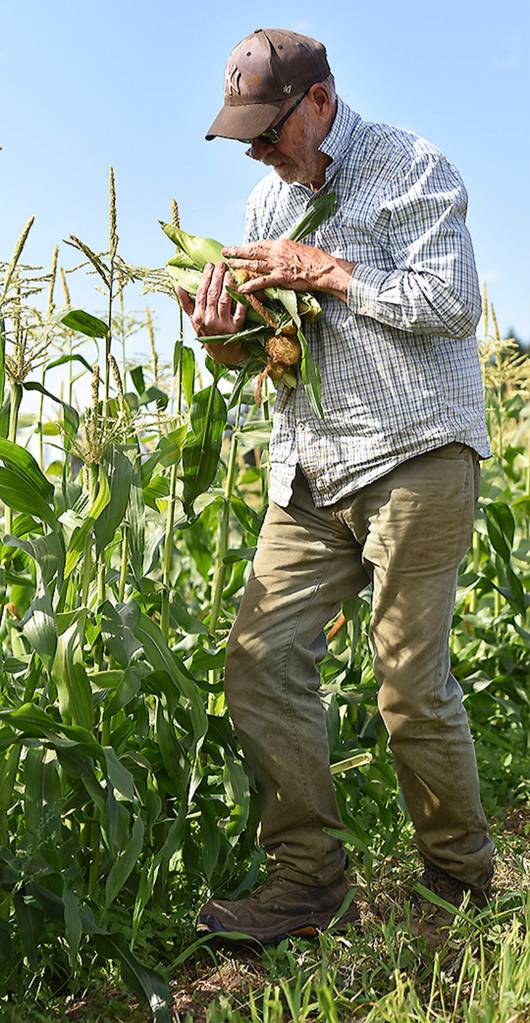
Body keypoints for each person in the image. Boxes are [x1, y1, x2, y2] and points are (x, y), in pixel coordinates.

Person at [175, 27, 495, 945]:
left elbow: (451, 301)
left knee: (407, 682)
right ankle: (308, 878)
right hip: (310, 470)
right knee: (260, 660)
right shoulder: (263, 205)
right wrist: (224, 338)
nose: (259, 151)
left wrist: (324, 268)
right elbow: (276, 357)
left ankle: (462, 884)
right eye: (246, 138)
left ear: (318, 101)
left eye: (269, 130)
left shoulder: (408, 166)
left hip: (414, 454)